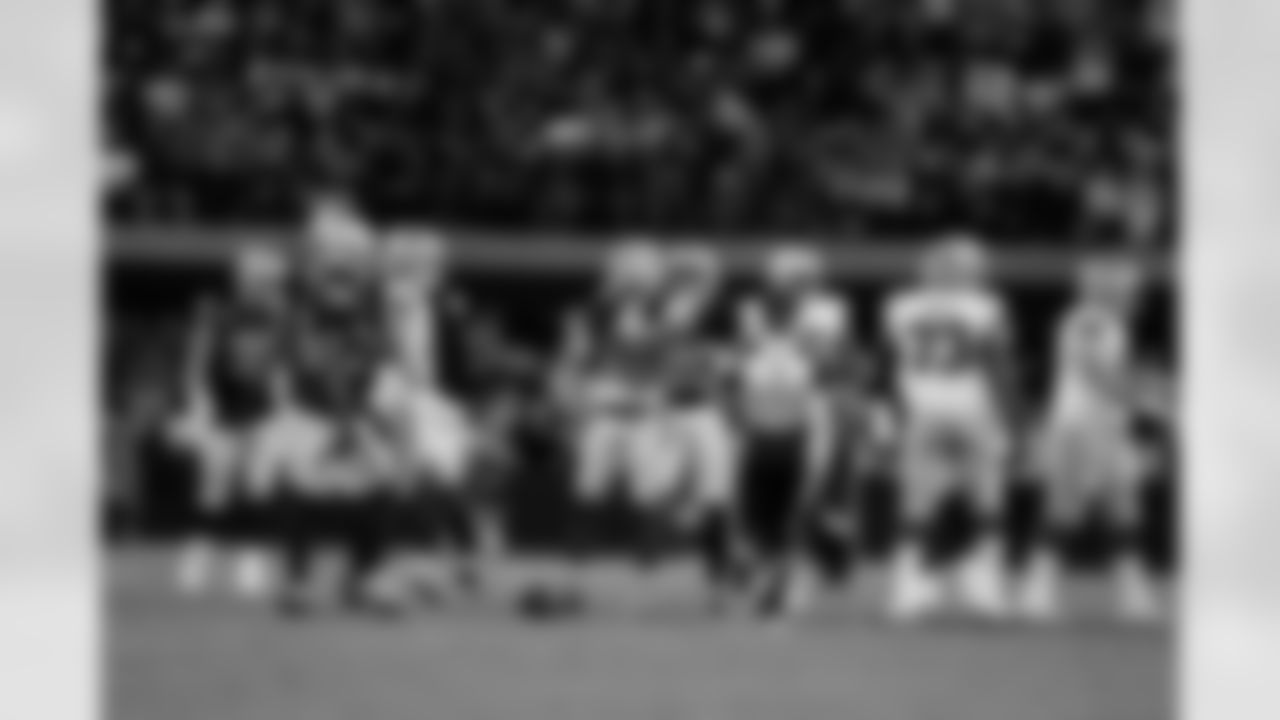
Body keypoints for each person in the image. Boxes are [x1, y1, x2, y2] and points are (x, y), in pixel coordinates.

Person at [251, 201, 396, 615]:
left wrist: (367, 419)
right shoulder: (295, 312)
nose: (342, 270)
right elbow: (286, 367)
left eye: (351, 258)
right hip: (308, 411)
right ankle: (298, 580)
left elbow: (380, 369)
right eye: (333, 257)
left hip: (359, 411)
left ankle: (367, 576)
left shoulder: (373, 314)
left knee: (382, 477)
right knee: (294, 478)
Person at [369, 231, 513, 608]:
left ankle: (462, 559)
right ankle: (381, 567)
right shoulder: (380, 299)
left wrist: (476, 407)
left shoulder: (451, 303)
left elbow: (468, 359)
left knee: (441, 485)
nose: (429, 269)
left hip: (436, 403)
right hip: (392, 395)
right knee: (399, 482)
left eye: (432, 263)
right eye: (418, 262)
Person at [536, 239, 677, 614]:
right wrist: (566, 395)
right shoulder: (595, 312)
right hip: (602, 414)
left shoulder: (659, 313)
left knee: (648, 500)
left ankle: (647, 587)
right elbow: (574, 357)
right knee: (587, 497)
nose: (640, 281)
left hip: (643, 416)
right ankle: (573, 580)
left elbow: (654, 354)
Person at [882, 234, 1017, 622]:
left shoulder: (898, 306)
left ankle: (913, 587)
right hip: (971, 408)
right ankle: (978, 585)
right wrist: (1011, 422)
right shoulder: (985, 306)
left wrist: (891, 414)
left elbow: (892, 366)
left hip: (923, 409)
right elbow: (1000, 365)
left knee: (920, 506)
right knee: (984, 502)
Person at [1024, 255, 1162, 623]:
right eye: (1128, 286)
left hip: (1105, 424)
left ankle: (1132, 590)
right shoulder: (1092, 318)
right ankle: (1037, 588)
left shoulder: (1108, 321)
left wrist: (1135, 402)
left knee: (1123, 505)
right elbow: (1091, 367)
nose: (1135, 293)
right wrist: (1144, 403)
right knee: (1067, 508)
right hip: (1081, 424)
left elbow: (1106, 369)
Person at [728, 245, 849, 618]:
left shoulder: (828, 310)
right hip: (761, 405)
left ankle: (795, 575)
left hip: (809, 406)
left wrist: (793, 339)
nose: (790, 286)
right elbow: (745, 359)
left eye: (798, 279)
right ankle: (773, 573)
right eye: (784, 279)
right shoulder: (750, 310)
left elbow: (828, 362)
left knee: (802, 496)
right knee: (756, 501)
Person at [168, 243, 292, 600]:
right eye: (260, 280)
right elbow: (197, 361)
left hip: (264, 411)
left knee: (257, 486)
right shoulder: (216, 313)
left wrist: (284, 410)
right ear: (242, 280)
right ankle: (197, 555)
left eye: (272, 281)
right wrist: (197, 402)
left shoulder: (282, 317)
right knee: (214, 485)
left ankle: (250, 561)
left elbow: (284, 368)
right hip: (223, 409)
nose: (266, 287)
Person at [657, 244, 741, 604]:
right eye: (683, 275)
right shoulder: (661, 308)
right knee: (667, 496)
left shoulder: (722, 312)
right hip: (667, 410)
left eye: (696, 275)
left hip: (708, 411)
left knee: (716, 498)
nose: (689, 282)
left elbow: (728, 364)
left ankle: (719, 577)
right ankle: (729, 564)